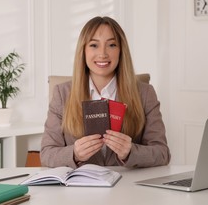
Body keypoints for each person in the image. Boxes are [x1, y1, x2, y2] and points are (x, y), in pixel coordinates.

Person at [40, 16, 170, 168]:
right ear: (83, 50)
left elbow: (162, 153)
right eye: (94, 45)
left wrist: (130, 152)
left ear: (121, 51)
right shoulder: (62, 94)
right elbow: (47, 154)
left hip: (127, 187)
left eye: (112, 45)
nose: (103, 53)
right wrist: (75, 154)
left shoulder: (145, 93)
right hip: (79, 188)